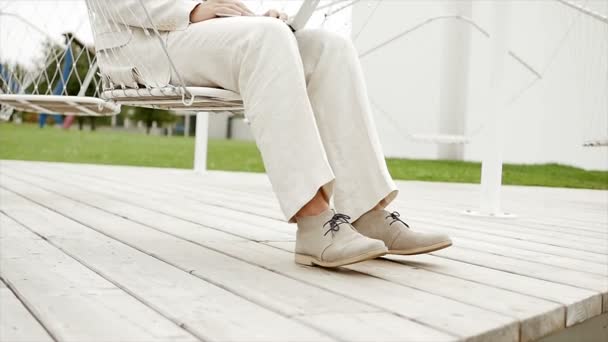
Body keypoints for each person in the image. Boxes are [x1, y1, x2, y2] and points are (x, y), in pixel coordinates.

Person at [88, 0, 452, 268]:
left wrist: (243, 18)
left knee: (330, 48)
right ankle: (313, 220)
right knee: (264, 39)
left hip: (193, 34)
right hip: (143, 43)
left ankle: (366, 211)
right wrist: (195, 9)